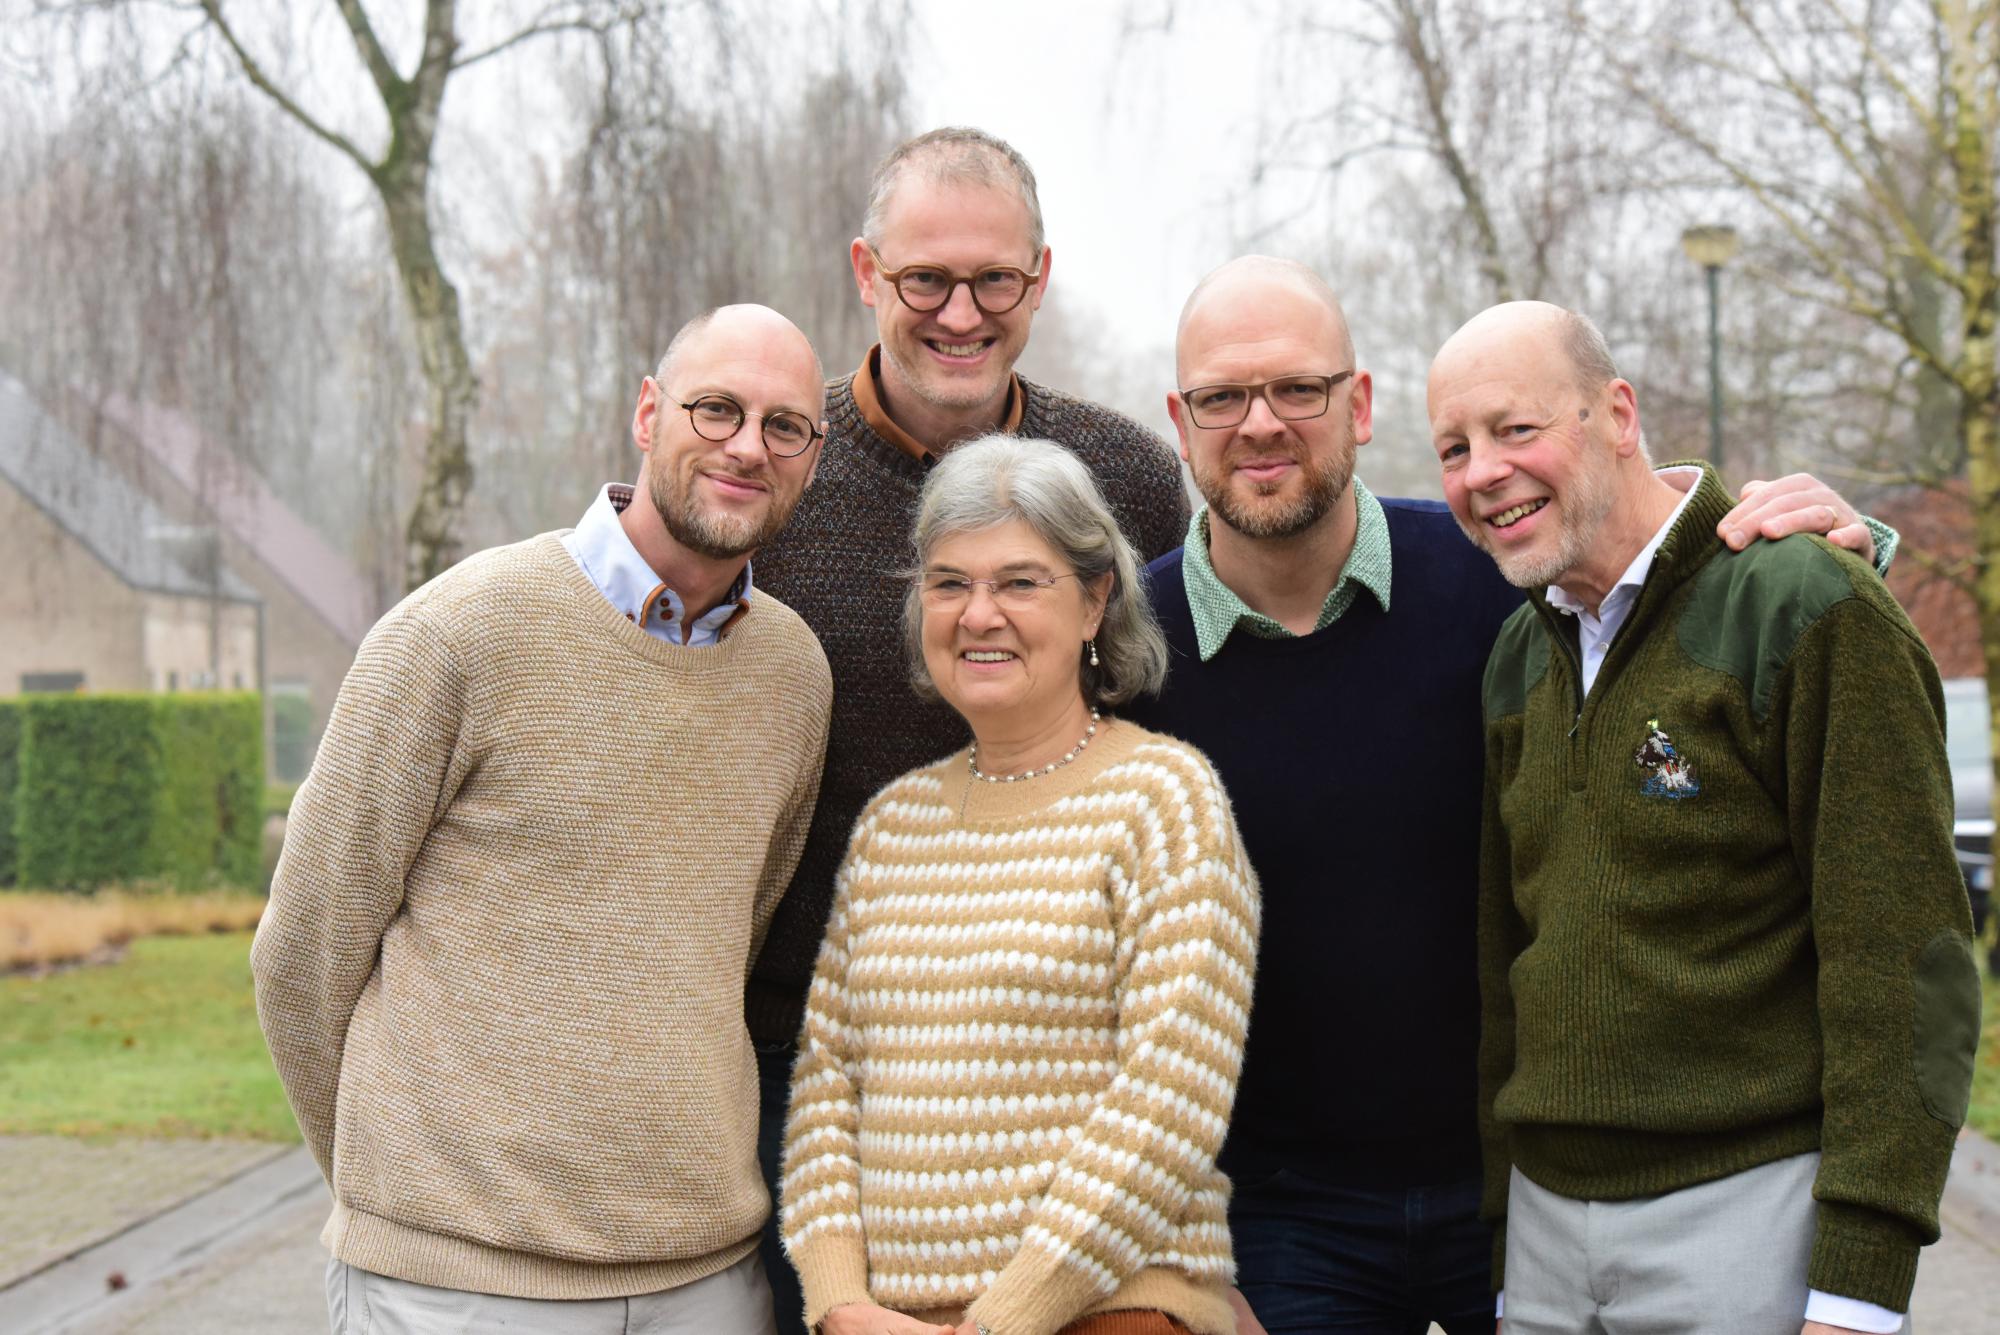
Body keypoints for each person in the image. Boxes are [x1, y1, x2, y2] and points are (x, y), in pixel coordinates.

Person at [1122, 256, 1900, 1335]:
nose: (1260, 422)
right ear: (1179, 416)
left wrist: (1841, 558)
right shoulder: (1128, 653)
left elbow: (1657, 586)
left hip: (1513, 1180)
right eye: (1220, 396)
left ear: (1356, 403)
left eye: (1297, 389)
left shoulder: (1490, 574)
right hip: (1284, 1216)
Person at [253, 304, 834, 1333]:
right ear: (648, 414)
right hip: (453, 1289)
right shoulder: (456, 635)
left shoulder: (792, 675)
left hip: (705, 1281)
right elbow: (302, 952)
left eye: (785, 425)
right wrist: (399, 1196)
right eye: (716, 409)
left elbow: (720, 946)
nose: (748, 445)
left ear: (810, 456)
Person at [1427, 300, 1979, 1334]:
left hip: (1746, 1219)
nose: (1479, 472)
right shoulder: (1517, 655)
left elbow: (1901, 961)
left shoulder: (1799, 603)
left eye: (1514, 429)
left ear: (1617, 414)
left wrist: (1856, 1291)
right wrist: (1506, 1252)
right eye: (1452, 448)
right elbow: (1505, 974)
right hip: (1544, 1243)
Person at [748, 127, 1191, 1327]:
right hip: (808, 1080)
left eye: (994, 280)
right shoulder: (776, 476)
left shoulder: (1129, 480)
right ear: (864, 272)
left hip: (1060, 1084)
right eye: (923, 280)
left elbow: (1247, 616)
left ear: (1038, 278)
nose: (959, 312)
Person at [778, 436, 1259, 1335]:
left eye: (1021, 582)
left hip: (1109, 1312)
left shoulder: (1163, 800)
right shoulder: (892, 826)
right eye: (950, 582)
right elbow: (826, 1089)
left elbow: (1171, 1098)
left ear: (1095, 600)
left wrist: (1006, 1318)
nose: (979, 614)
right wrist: (840, 1300)